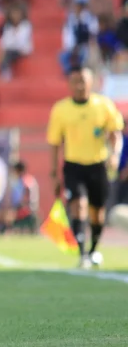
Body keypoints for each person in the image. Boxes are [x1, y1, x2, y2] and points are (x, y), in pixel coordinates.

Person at [47, 67, 124, 268]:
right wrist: (54, 173)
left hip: (98, 165)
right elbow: (55, 143)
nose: (79, 86)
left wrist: (115, 154)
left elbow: (115, 134)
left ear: (92, 82)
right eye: (75, 81)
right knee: (78, 206)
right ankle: (82, 254)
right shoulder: (61, 109)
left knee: (97, 213)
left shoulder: (103, 105)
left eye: (83, 81)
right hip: (73, 166)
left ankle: (93, 250)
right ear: (69, 84)